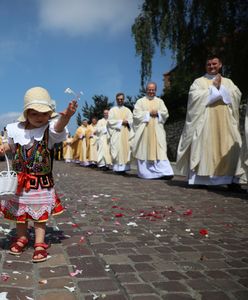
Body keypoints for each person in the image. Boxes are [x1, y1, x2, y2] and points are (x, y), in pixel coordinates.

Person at [0, 86, 77, 262]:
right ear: (26, 113)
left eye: (43, 114)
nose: (39, 118)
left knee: (39, 215)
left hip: (41, 182)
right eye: (34, 114)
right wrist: (5, 147)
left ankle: (40, 242)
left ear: (49, 114)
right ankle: (22, 237)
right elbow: (12, 146)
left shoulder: (49, 130)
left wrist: (66, 117)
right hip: (20, 182)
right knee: (20, 213)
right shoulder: (15, 129)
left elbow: (59, 127)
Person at [176, 55, 243, 189]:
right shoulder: (198, 82)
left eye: (214, 64)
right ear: (205, 66)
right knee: (204, 146)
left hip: (226, 122)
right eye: (209, 64)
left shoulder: (228, 82)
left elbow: (236, 95)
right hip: (205, 122)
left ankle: (231, 180)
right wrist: (214, 89)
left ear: (220, 65)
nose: (212, 67)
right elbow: (194, 98)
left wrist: (221, 88)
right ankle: (201, 179)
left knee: (231, 146)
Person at [132, 82, 174, 179]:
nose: (151, 91)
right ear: (146, 90)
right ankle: (147, 173)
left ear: (155, 90)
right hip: (145, 131)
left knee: (160, 149)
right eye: (149, 89)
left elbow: (165, 113)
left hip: (157, 130)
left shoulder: (160, 101)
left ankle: (165, 172)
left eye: (153, 89)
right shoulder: (140, 101)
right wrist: (148, 113)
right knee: (144, 150)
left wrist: (158, 113)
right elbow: (136, 115)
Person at [107, 93, 134, 174]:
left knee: (126, 149)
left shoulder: (127, 110)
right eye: (118, 99)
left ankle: (125, 168)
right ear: (116, 100)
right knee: (117, 149)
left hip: (126, 132)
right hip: (117, 133)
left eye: (121, 99)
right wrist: (121, 121)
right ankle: (117, 168)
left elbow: (132, 120)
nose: (120, 101)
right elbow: (110, 122)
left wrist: (128, 122)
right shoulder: (112, 110)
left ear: (123, 100)